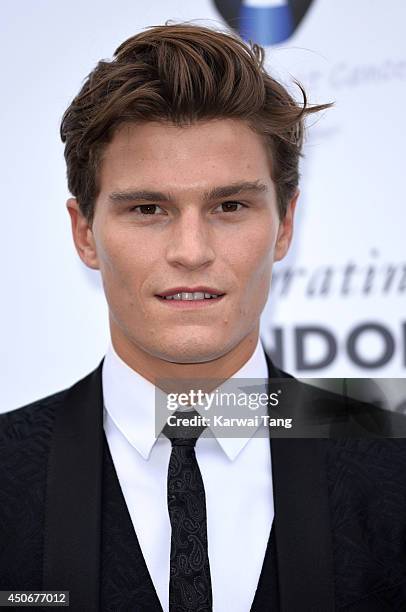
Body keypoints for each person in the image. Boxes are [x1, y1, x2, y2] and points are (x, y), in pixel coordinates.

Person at [1, 23, 406, 612]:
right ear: (85, 233)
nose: (191, 251)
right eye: (147, 208)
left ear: (284, 225)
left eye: (230, 206)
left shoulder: (395, 466)